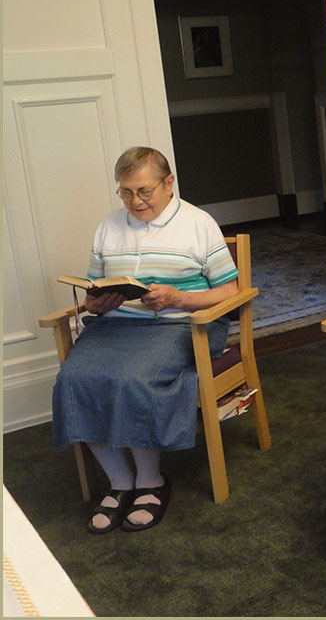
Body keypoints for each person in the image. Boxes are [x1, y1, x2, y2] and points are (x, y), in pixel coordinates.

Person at [52, 147, 239, 533]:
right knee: (74, 379)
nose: (134, 201)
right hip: (116, 326)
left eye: (144, 191)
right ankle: (120, 482)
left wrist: (178, 298)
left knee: (132, 379)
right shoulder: (108, 226)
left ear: (168, 184)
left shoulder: (198, 223)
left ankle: (151, 481)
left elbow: (230, 291)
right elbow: (93, 291)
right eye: (125, 192)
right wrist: (98, 303)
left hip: (177, 324)